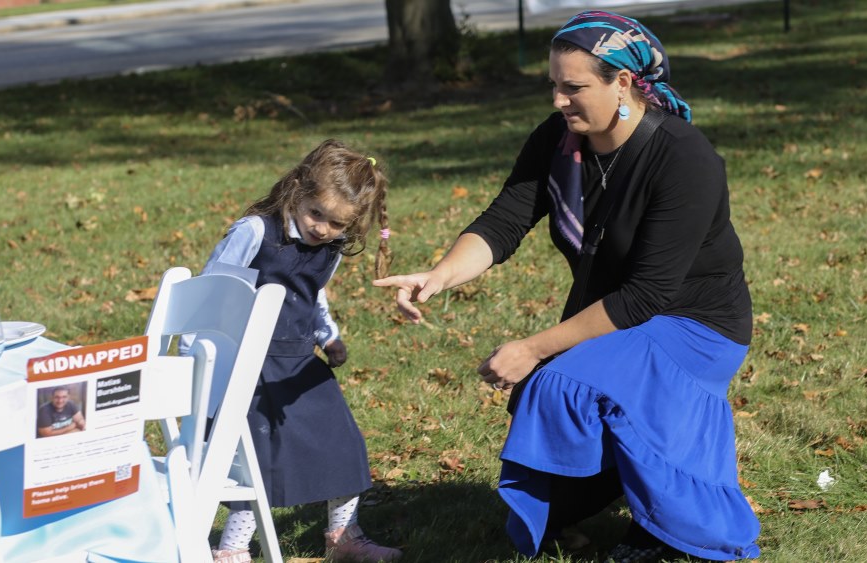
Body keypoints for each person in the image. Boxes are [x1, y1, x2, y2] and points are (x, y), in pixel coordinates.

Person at [374, 11, 759, 563]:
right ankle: (591, 501)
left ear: (622, 82)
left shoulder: (684, 158)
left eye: (574, 87)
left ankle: (669, 533)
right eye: (554, 85)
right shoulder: (560, 140)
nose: (559, 100)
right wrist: (441, 274)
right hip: (617, 317)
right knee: (554, 389)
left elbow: (646, 294)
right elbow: (504, 221)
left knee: (563, 382)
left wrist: (532, 347)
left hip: (695, 324)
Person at [195, 139, 401, 563]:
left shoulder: (330, 248)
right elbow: (210, 291)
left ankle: (344, 536)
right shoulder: (255, 232)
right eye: (316, 214)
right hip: (246, 364)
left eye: (337, 224)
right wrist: (199, 357)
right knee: (257, 458)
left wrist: (329, 336)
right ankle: (231, 549)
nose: (322, 228)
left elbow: (315, 296)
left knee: (342, 444)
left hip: (299, 362)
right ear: (296, 190)